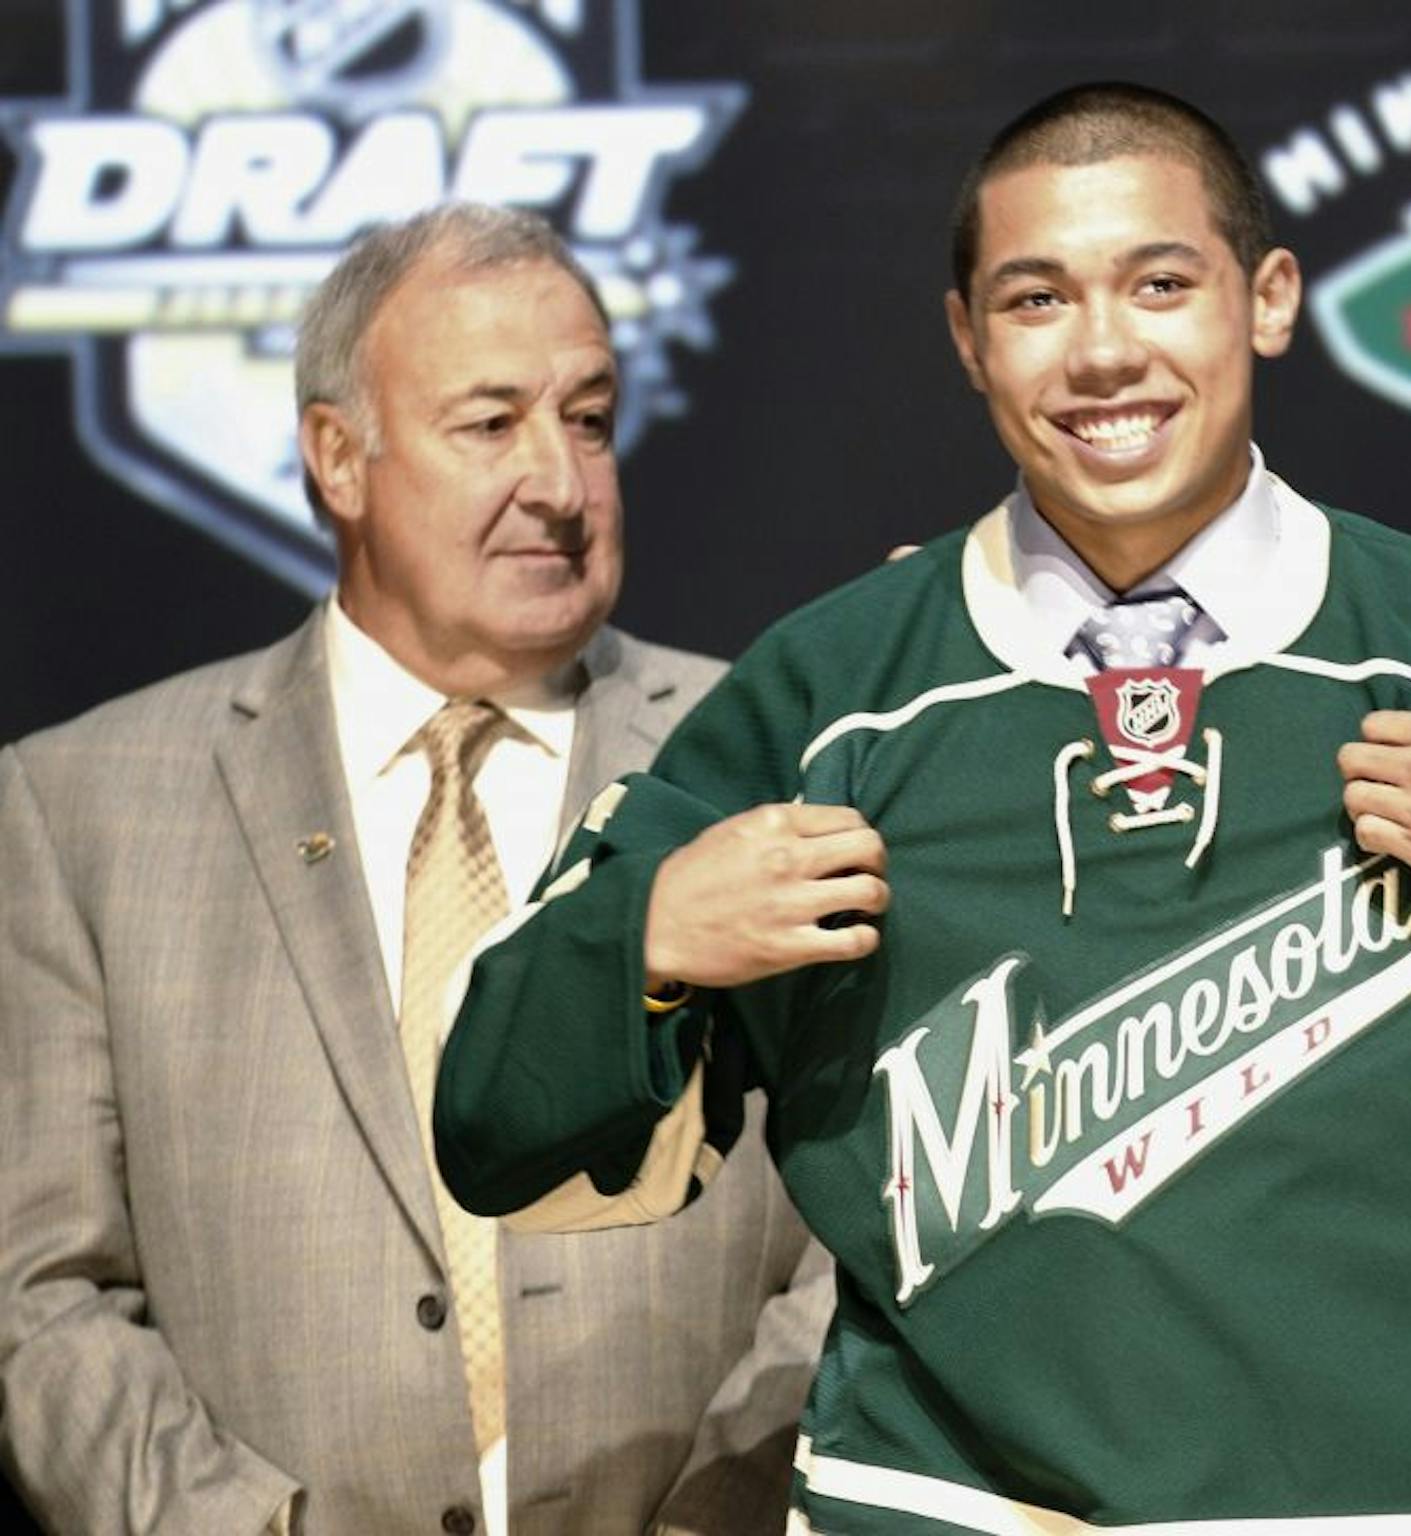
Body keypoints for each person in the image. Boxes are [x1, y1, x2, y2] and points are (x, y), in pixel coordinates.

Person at [435, 86, 1411, 1535]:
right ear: (965, 339)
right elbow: (496, 1130)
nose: (1101, 353)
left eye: (1159, 284)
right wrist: (647, 939)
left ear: (1266, 300)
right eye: (1034, 301)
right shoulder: (825, 696)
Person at [0, 204, 830, 1536]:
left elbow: (871, 1232)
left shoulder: (771, 761)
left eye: (591, 420)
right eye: (491, 424)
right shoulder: (75, 810)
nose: (560, 484)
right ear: (339, 457)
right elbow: (41, 1295)